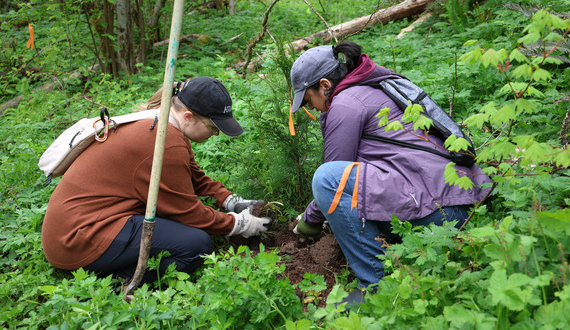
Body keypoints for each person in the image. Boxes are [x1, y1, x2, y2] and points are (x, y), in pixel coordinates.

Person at [290, 42, 491, 308]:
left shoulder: (346, 104)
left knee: (326, 178)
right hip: (459, 203)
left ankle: (376, 284)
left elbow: (335, 178)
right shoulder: (372, 86)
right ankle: (397, 257)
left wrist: (309, 220)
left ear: (325, 85)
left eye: (308, 100)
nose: (311, 108)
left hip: (443, 211)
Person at [42, 76, 271, 284]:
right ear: (189, 117)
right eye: (213, 127)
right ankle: (115, 281)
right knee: (197, 246)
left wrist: (230, 200)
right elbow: (187, 212)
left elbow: (193, 178)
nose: (216, 134)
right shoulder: (163, 140)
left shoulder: (162, 122)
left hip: (71, 233)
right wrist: (237, 224)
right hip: (80, 241)